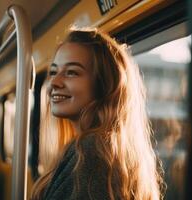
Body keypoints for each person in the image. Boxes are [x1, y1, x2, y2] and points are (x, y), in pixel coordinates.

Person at [30, 28, 164, 200]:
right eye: (54, 72)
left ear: (103, 85)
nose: (54, 82)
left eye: (72, 72)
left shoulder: (91, 150)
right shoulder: (104, 147)